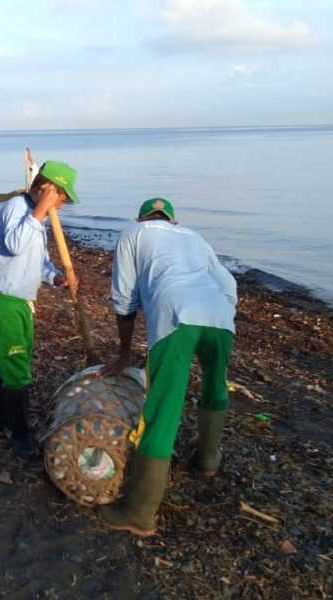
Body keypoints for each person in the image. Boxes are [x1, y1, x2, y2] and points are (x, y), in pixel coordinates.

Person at [98, 198, 237, 537]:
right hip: (220, 314)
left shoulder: (133, 233)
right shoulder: (194, 237)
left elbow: (124, 297)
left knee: (162, 409)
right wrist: (220, 313)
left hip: (177, 316)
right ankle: (206, 461)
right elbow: (229, 285)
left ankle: (139, 513)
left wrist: (124, 353)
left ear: (142, 217)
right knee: (215, 387)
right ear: (173, 221)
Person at [0, 161, 79, 459]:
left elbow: (38, 261)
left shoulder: (38, 219)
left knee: (10, 363)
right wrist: (40, 210)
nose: (63, 203)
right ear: (48, 188)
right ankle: (21, 437)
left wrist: (57, 277)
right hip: (4, 301)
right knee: (17, 368)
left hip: (21, 303)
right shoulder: (16, 208)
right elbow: (14, 244)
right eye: (61, 196)